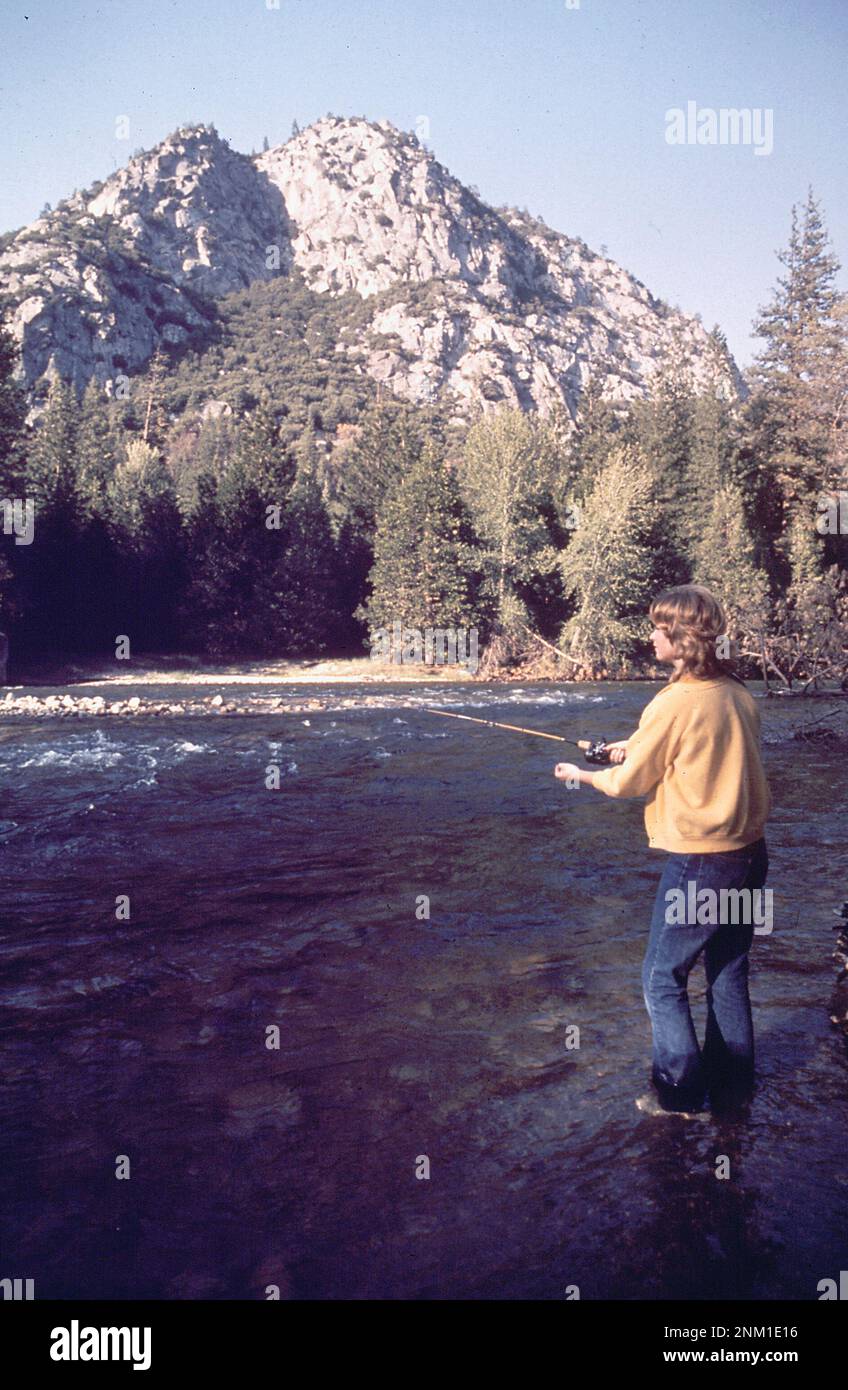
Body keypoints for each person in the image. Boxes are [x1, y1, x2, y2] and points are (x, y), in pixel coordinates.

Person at [554, 585, 771, 1116]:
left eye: (658, 628)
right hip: (750, 855)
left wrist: (585, 774)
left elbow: (630, 783)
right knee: (727, 969)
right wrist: (633, 746)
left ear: (679, 637)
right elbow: (700, 749)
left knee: (661, 976)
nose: (651, 636)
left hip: (703, 862)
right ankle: (734, 1084)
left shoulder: (672, 702)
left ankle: (677, 1094)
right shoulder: (737, 692)